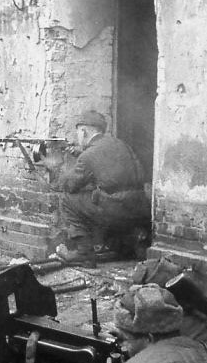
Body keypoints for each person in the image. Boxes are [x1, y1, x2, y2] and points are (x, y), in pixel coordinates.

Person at [57, 106, 150, 260]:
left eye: (78, 132)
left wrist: (55, 167)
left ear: (84, 132)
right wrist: (83, 153)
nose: (77, 137)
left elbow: (71, 186)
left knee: (67, 200)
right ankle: (128, 244)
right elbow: (113, 163)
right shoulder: (121, 144)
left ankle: (83, 252)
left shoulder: (88, 156)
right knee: (103, 194)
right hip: (139, 207)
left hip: (117, 210)